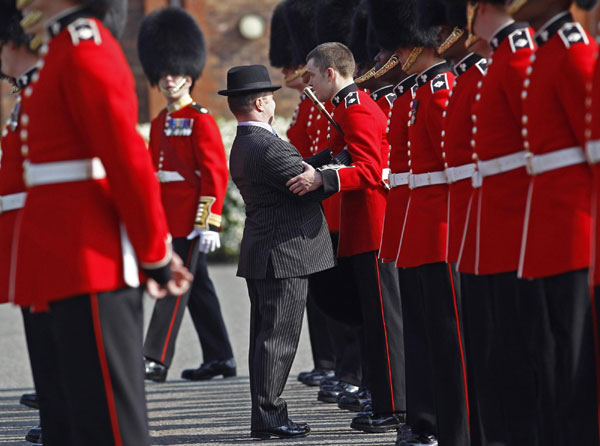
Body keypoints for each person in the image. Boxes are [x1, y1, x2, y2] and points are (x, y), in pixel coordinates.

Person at [13, 0, 192, 444]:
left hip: (93, 256)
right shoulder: (60, 47)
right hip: (65, 256)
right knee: (79, 415)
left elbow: (125, 158)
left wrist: (153, 251)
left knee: (110, 424)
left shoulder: (85, 45)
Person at [289, 41, 406, 434]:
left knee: (383, 321)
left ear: (330, 74)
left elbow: (370, 169)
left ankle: (395, 404)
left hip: (374, 228)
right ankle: (383, 395)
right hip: (361, 227)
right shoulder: (345, 106)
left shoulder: (355, 107)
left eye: (310, 75)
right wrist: (310, 165)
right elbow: (339, 153)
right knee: (369, 319)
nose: (306, 82)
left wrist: (321, 177)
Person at [221, 64, 337, 439]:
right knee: (278, 341)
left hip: (267, 249)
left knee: (267, 338)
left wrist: (324, 159)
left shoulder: (247, 142)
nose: (273, 102)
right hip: (283, 253)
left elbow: (298, 169)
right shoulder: (266, 144)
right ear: (259, 103)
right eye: (269, 97)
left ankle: (266, 414)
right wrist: (341, 168)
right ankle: (270, 416)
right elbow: (309, 185)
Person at [508, 0, 599, 443]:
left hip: (575, 227)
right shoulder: (547, 49)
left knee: (575, 353)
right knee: (553, 350)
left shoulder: (573, 48)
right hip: (546, 224)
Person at [137, 6, 235, 384]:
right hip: (166, 217)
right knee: (199, 289)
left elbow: (214, 172)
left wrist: (208, 221)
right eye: (162, 73)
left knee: (171, 285)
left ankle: (155, 358)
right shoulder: (161, 121)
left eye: (175, 72)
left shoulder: (201, 119)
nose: (168, 79)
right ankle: (221, 357)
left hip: (191, 221)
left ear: (189, 75)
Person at [456, 0, 538, 443]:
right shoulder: (499, 57)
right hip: (487, 222)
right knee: (494, 349)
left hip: (515, 223)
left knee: (519, 346)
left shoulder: (518, 52)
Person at [269, 0, 338, 388]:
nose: (288, 71)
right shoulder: (306, 106)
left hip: (330, 200)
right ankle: (328, 360)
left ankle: (338, 364)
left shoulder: (325, 104)